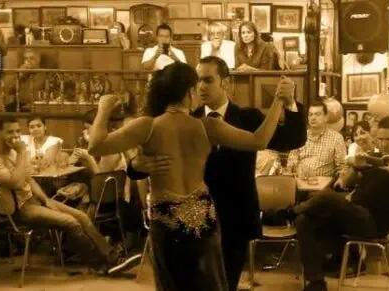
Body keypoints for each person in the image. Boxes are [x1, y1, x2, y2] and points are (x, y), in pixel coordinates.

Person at [87, 61, 292, 290]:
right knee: (211, 284)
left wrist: (103, 109)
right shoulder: (207, 126)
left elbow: (95, 146)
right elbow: (259, 140)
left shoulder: (148, 126)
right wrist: (279, 101)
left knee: (171, 285)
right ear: (189, 92)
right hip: (201, 216)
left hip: (166, 218)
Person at [0, 116, 140, 276]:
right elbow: (17, 183)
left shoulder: (12, 153)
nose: (16, 136)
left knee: (82, 216)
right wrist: (21, 154)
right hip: (17, 210)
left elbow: (28, 179)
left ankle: (111, 257)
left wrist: (46, 200)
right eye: (10, 132)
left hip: (33, 202)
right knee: (71, 223)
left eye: (18, 131)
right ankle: (103, 265)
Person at [296, 117, 389, 291]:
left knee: (327, 196)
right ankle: (316, 283)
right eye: (380, 139)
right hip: (354, 215)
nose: (383, 144)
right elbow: (344, 183)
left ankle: (286, 214)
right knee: (304, 220)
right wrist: (357, 168)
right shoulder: (375, 158)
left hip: (374, 223)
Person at [287, 103, 347, 178]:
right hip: (300, 181)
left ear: (326, 117)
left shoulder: (336, 138)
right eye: (310, 115)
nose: (313, 118)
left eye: (317, 114)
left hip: (324, 185)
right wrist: (293, 170)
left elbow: (342, 167)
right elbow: (291, 163)